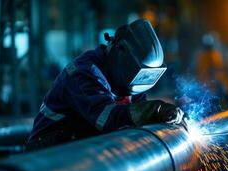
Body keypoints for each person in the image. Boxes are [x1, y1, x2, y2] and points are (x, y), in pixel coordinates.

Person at [26, 19, 184, 151]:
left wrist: (165, 118)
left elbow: (139, 109)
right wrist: (154, 110)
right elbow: (108, 120)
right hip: (47, 151)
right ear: (120, 52)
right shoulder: (85, 73)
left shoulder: (123, 78)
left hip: (77, 145)